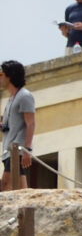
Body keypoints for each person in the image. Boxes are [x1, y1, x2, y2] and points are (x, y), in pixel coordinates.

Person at [1, 62, 32, 192]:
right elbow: (12, 124)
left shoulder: (24, 96)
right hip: (9, 149)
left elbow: (30, 123)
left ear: (10, 76)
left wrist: (27, 149)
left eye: (1, 74)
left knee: (5, 185)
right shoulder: (11, 98)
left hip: (16, 149)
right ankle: (24, 210)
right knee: (21, 187)